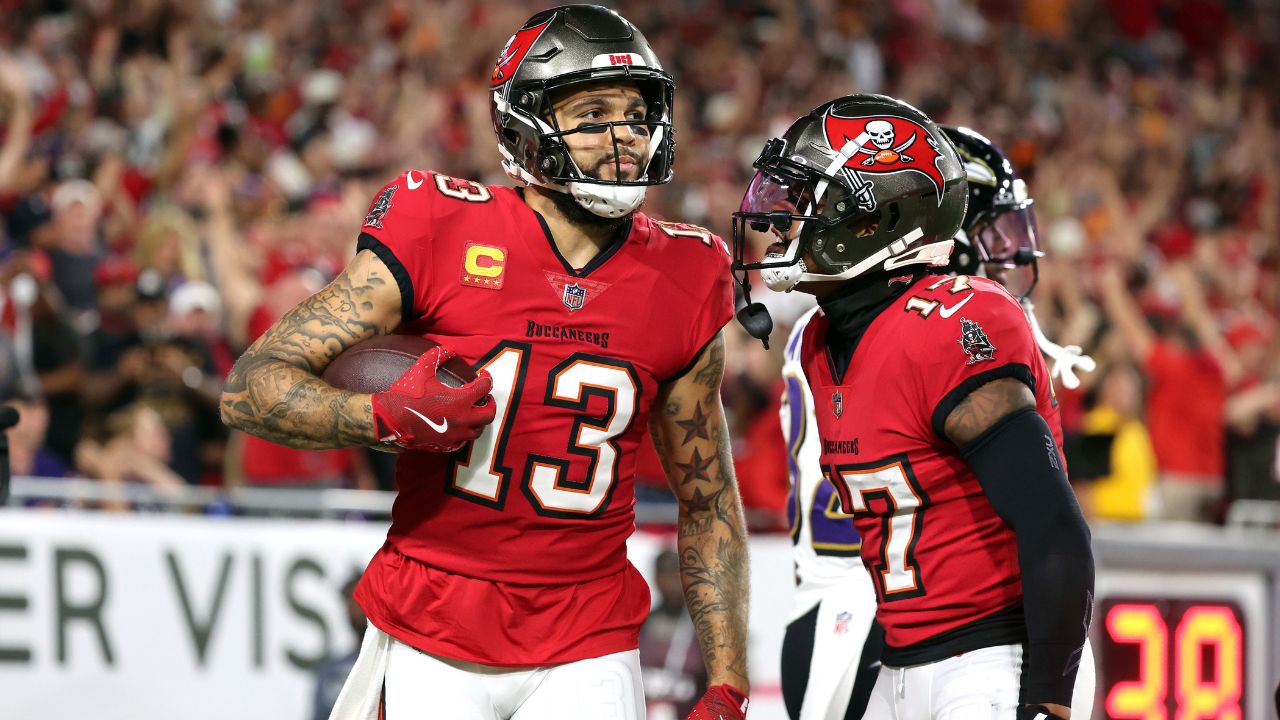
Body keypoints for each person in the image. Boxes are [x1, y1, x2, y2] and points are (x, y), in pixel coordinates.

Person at [221, 6, 750, 720]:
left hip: (590, 636)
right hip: (430, 620)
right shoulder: (439, 223)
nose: (624, 136)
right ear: (524, 127)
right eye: (593, 114)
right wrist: (379, 416)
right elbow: (250, 388)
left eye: (635, 113)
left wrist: (727, 682)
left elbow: (708, 498)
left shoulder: (688, 268)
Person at [732, 94, 1093, 719]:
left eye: (804, 200)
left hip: (990, 660)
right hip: (898, 659)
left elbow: (1054, 524)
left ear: (869, 220)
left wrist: (1049, 702)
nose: (777, 222)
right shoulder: (820, 340)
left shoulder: (953, 321)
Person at [639, 550, 708, 720]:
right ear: (657, 578)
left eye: (679, 574)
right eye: (667, 574)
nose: (673, 582)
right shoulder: (642, 624)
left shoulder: (703, 627)